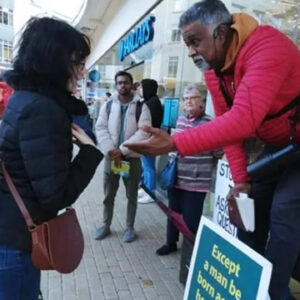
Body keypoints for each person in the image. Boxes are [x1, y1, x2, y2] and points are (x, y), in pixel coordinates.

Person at [125, 1, 300, 298]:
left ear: (221, 33)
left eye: (195, 42)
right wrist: (241, 180)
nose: (191, 52)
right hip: (279, 145)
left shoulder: (267, 47)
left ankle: (275, 290)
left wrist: (175, 142)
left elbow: (242, 121)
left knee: (284, 213)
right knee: (248, 208)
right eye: (187, 44)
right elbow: (229, 129)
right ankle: (248, 285)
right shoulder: (214, 69)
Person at [0, 17, 103, 300]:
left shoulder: (24, 98)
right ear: (55, 62)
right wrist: (90, 153)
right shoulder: (43, 110)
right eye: (77, 63)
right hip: (16, 244)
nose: (82, 73)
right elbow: (55, 197)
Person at [157, 83, 220, 255]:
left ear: (203, 101)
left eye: (193, 98)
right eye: (185, 99)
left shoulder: (210, 124)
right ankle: (171, 243)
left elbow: (218, 152)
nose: (188, 102)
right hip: (176, 178)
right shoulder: (180, 120)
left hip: (196, 182)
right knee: (173, 213)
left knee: (191, 219)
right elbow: (173, 145)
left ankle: (191, 250)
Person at [95, 71, 151, 243]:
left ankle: (129, 227)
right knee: (108, 194)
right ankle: (106, 224)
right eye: (119, 83)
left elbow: (144, 132)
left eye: (126, 82)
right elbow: (100, 127)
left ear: (131, 84)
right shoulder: (109, 105)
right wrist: (110, 149)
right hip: (112, 157)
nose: (122, 86)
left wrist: (123, 150)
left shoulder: (142, 106)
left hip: (131, 158)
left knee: (131, 195)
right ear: (116, 84)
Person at [137, 79, 163, 204]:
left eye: (142, 87)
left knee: (148, 167)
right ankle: (146, 188)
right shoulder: (150, 101)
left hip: (150, 139)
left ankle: (150, 192)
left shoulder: (153, 103)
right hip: (147, 138)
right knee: (146, 165)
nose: (140, 90)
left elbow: (149, 122)